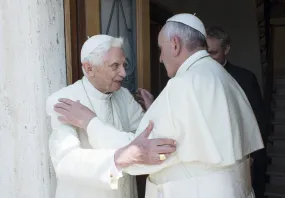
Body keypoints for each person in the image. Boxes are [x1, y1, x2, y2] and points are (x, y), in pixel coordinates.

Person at [55, 13, 264, 198]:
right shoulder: (221, 75)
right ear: (89, 68)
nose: (161, 58)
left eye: (160, 49)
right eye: (115, 66)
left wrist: (91, 122)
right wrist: (159, 108)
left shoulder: (183, 85)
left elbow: (140, 151)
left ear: (175, 45)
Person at [45, 35, 176, 198]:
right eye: (115, 66)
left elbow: (147, 136)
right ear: (89, 68)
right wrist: (119, 159)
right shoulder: (63, 100)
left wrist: (154, 111)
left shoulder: (124, 95)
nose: (124, 73)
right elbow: (66, 161)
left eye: (124, 65)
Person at [206, 26, 268, 198]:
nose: (208, 59)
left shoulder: (245, 78)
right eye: (205, 53)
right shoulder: (193, 78)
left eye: (213, 53)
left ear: (226, 49)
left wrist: (252, 157)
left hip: (241, 157)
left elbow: (259, 121)